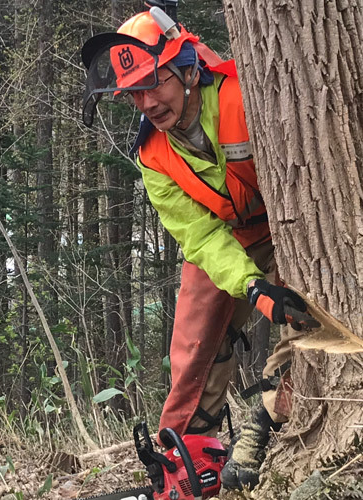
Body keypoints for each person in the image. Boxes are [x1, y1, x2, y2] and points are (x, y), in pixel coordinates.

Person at [81, 7, 317, 490]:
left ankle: (271, 415)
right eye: (133, 93)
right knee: (194, 339)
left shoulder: (239, 97)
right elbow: (201, 236)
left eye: (154, 83)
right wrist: (251, 286)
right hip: (228, 237)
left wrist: (272, 285)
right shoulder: (152, 155)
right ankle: (185, 460)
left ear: (187, 70)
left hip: (294, 221)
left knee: (305, 309)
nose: (146, 102)